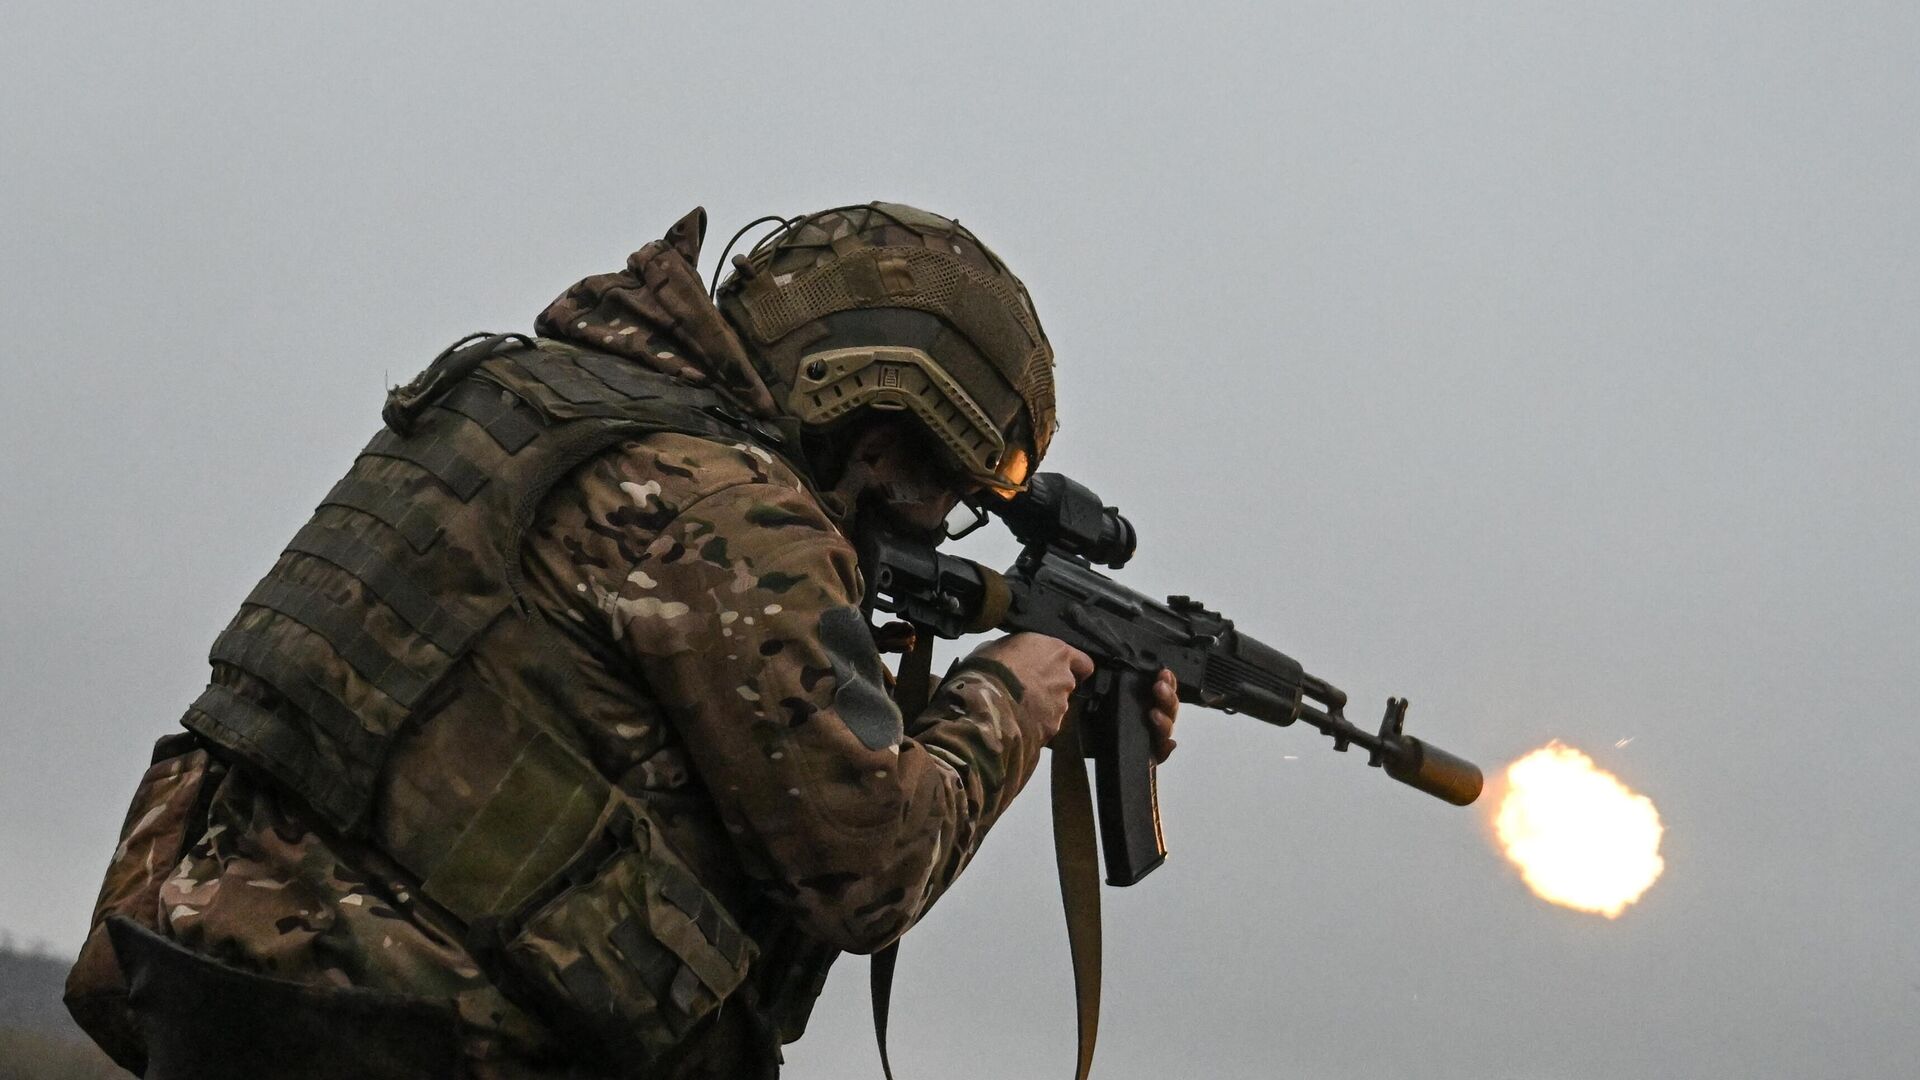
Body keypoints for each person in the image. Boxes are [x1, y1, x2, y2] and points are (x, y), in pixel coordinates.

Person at [66, 202, 1178, 1079]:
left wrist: (907, 699)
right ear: (882, 431)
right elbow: (868, 869)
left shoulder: (521, 398)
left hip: (220, 985)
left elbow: (564, 703)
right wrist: (1007, 698)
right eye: (944, 489)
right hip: (438, 1033)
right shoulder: (733, 510)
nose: (932, 522)